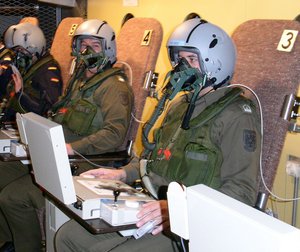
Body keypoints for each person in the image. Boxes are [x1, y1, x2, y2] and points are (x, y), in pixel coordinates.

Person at [55, 18, 262, 252]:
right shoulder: (180, 105)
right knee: (69, 236)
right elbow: (152, 160)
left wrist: (178, 208)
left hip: (191, 224)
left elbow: (241, 193)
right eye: (180, 60)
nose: (182, 69)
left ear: (216, 63)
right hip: (151, 203)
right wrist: (122, 173)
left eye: (191, 60)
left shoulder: (237, 115)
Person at [0, 19, 133, 251]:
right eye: (83, 45)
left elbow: (114, 135)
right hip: (56, 152)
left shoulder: (115, 86)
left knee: (12, 197)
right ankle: (9, 238)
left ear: (108, 49)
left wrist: (72, 149)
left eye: (95, 45)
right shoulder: (80, 81)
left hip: (82, 162)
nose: (87, 50)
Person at [0, 22, 63, 122]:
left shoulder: (47, 72)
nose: (17, 56)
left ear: (34, 46)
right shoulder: (29, 67)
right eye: (15, 52)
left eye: (20, 50)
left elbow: (49, 112)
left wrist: (20, 94)